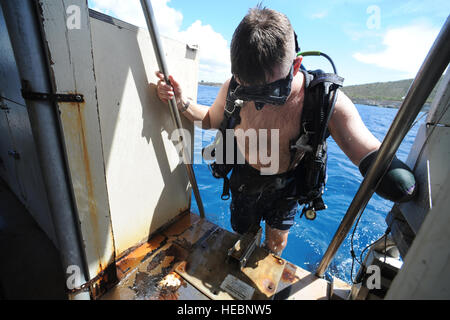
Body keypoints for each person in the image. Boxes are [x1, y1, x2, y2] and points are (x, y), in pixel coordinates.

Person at [155, 6, 416, 255]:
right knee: (241, 232)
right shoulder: (232, 86)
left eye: (271, 92)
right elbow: (211, 118)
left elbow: (366, 149)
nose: (260, 103)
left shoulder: (323, 101)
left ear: (295, 65)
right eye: (249, 89)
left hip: (288, 184)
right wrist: (181, 101)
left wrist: (394, 177)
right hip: (245, 178)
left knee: (276, 242)